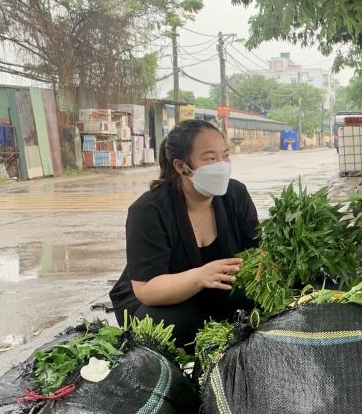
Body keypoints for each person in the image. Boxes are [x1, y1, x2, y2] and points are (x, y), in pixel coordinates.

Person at [110, 119, 259, 349]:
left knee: (255, 305)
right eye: (210, 158)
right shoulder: (148, 211)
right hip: (153, 299)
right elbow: (147, 289)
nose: (222, 165)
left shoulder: (235, 194)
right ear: (181, 166)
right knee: (179, 324)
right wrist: (199, 276)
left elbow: (256, 250)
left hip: (213, 287)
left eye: (225, 155)